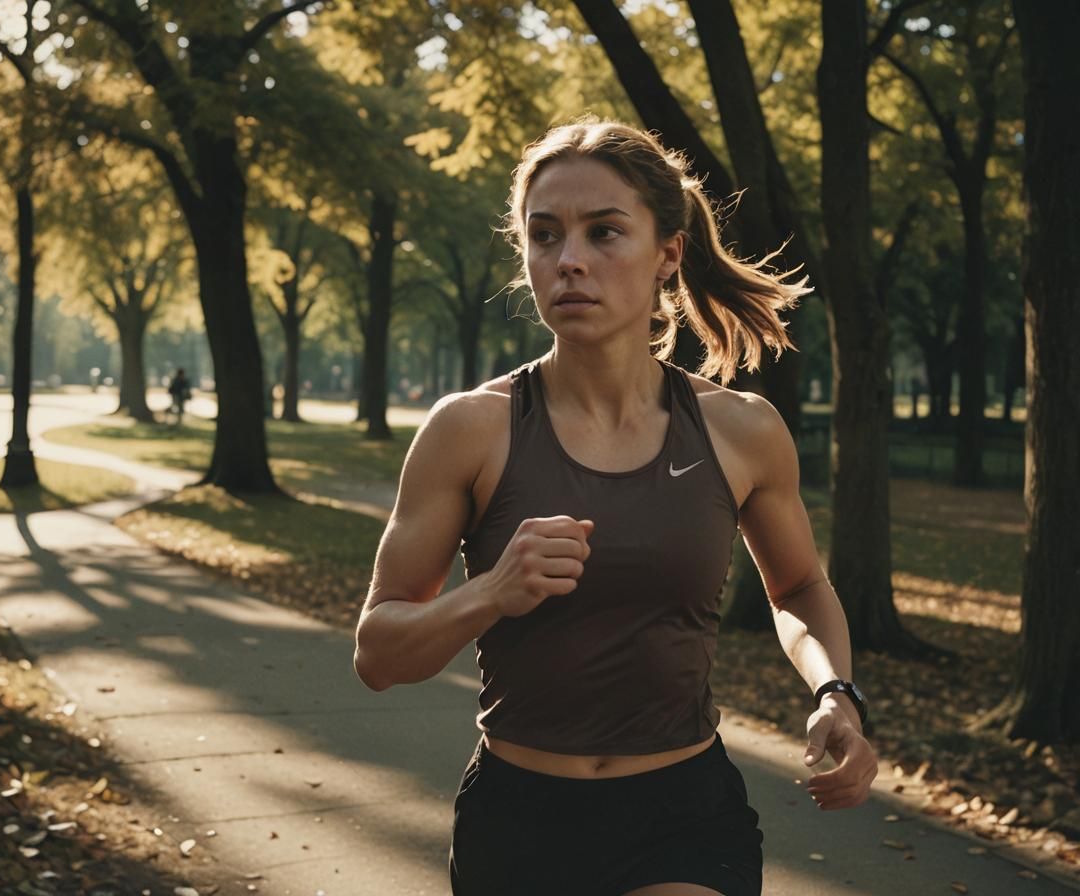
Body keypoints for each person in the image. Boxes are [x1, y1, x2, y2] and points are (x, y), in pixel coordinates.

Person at [353, 119, 877, 896]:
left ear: (668, 251)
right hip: (518, 820)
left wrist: (836, 692)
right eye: (545, 235)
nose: (569, 261)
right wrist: (489, 592)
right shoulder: (470, 430)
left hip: (683, 819)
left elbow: (798, 587)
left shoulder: (742, 431)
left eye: (604, 233)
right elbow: (378, 653)